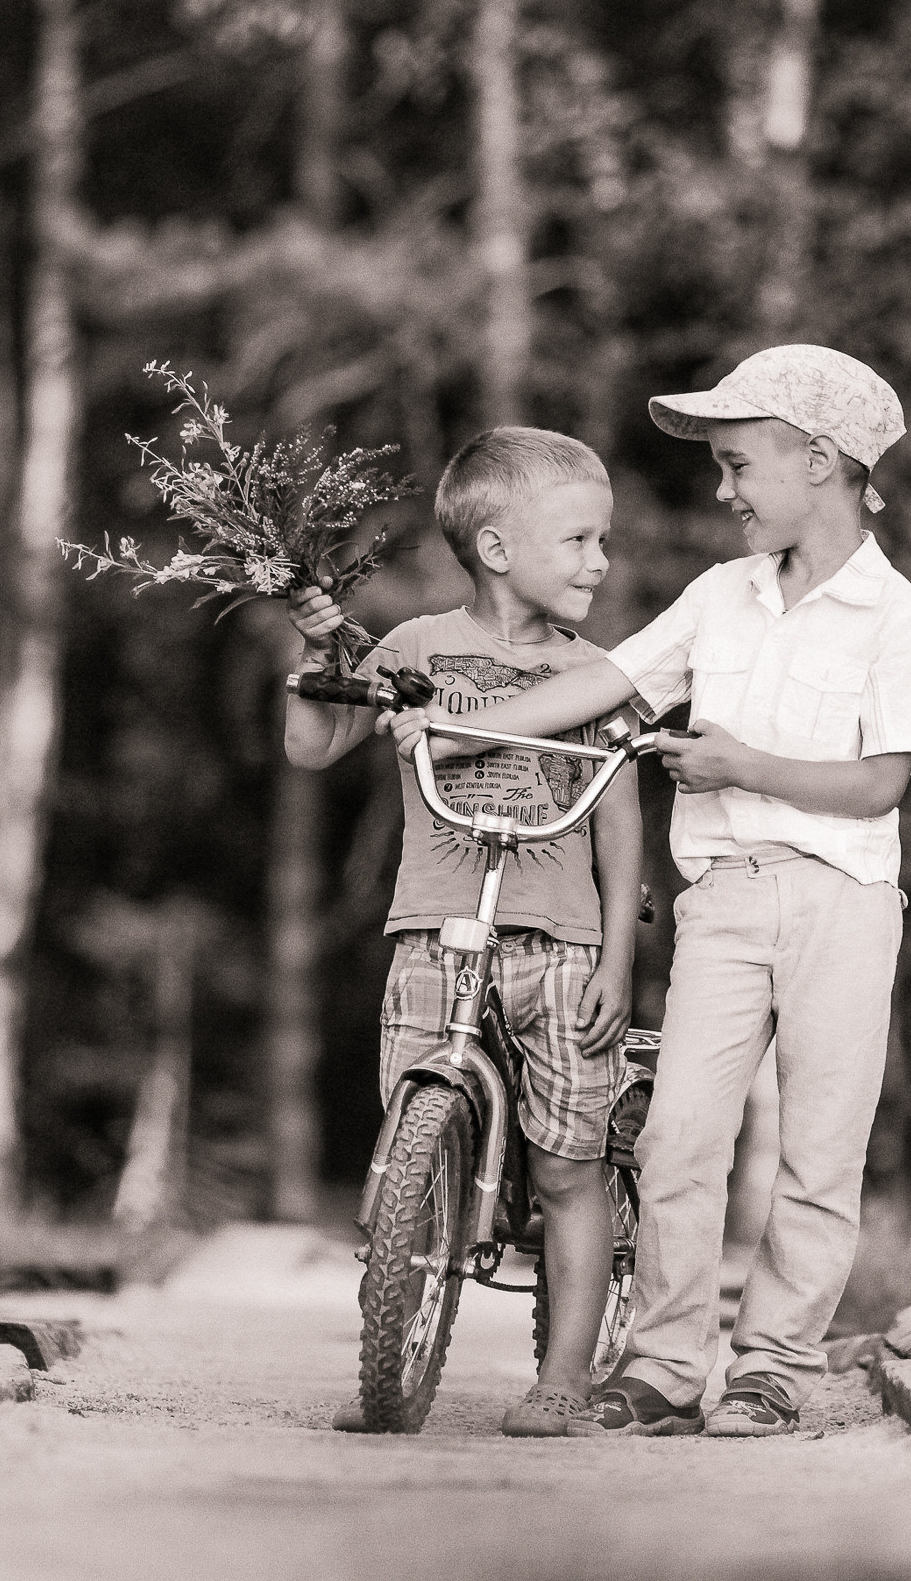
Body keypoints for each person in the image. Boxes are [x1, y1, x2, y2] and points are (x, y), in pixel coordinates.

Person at [386, 347, 911, 1438]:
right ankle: (660, 1367)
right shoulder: (720, 598)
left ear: (820, 462)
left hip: (842, 903)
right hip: (726, 900)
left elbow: (882, 782)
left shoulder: (898, 618)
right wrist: (457, 729)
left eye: (740, 465)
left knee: (819, 1147)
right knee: (677, 1135)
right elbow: (601, 683)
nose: (723, 488)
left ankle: (773, 1364)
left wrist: (743, 766)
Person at [284, 425, 643, 1438]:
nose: (599, 561)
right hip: (435, 932)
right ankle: (392, 1343)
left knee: (571, 1166)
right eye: (577, 540)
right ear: (496, 548)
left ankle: (563, 1381)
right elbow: (312, 745)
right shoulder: (413, 650)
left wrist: (619, 951)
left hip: (563, 943)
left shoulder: (599, 672)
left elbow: (620, 816)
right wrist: (320, 647)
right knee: (411, 1137)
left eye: (601, 542)